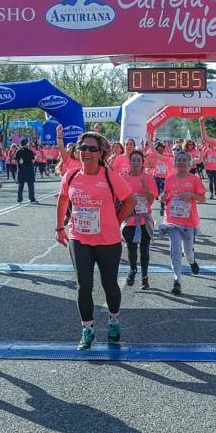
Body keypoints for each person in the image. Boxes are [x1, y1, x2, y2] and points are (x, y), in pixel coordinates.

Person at [56, 131, 135, 349]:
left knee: (109, 284)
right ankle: (87, 329)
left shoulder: (109, 176)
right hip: (79, 237)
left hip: (107, 240)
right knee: (84, 285)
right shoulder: (71, 176)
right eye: (83, 148)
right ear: (78, 151)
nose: (87, 152)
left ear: (101, 153)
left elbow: (130, 200)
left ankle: (114, 322)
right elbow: (63, 199)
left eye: (92, 149)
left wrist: (116, 222)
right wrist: (60, 228)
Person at [161, 150, 207, 295]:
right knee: (175, 251)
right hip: (172, 221)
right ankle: (177, 282)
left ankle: (192, 261)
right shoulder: (169, 179)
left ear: (189, 163)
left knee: (187, 252)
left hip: (189, 221)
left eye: (184, 160)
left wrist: (192, 195)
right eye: (178, 160)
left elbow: (203, 199)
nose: (181, 162)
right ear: (174, 163)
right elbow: (166, 197)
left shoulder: (194, 179)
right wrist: (163, 198)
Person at [121, 150, 157, 290]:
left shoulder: (148, 178)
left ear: (143, 163)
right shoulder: (123, 178)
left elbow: (151, 200)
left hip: (144, 220)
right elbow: (119, 199)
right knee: (131, 247)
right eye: (133, 160)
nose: (135, 163)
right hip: (129, 220)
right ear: (129, 162)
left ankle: (144, 277)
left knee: (144, 250)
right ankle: (132, 269)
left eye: (138, 160)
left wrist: (145, 189)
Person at [15, 138, 36, 203]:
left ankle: (19, 199)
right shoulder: (30, 151)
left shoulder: (18, 151)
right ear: (26, 144)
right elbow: (33, 160)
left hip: (21, 170)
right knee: (30, 185)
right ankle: (32, 198)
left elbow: (16, 160)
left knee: (21, 185)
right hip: (29, 169)